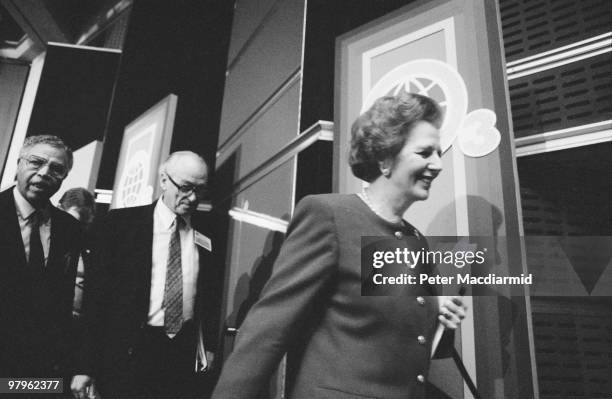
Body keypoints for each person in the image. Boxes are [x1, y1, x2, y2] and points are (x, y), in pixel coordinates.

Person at [211, 93, 468, 399]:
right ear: (385, 159)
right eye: (425, 152)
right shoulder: (328, 216)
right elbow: (267, 331)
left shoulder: (415, 240)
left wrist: (440, 319)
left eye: (438, 153)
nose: (438, 165)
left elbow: (412, 343)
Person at [71, 151, 220, 399]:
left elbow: (210, 294)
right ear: (164, 180)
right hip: (129, 351)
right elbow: (97, 300)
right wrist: (86, 365)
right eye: (185, 187)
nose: (193, 197)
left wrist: (209, 348)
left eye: (200, 190)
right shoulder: (121, 225)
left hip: (180, 354)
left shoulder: (208, 233)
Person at [0, 135, 82, 381]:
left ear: (64, 178)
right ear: (19, 164)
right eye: (36, 162)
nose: (45, 172)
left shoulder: (70, 228)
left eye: (57, 169)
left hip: (43, 370)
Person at [58, 187, 96, 319]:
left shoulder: (89, 252)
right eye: (72, 221)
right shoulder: (40, 241)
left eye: (83, 225)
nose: (76, 229)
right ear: (59, 209)